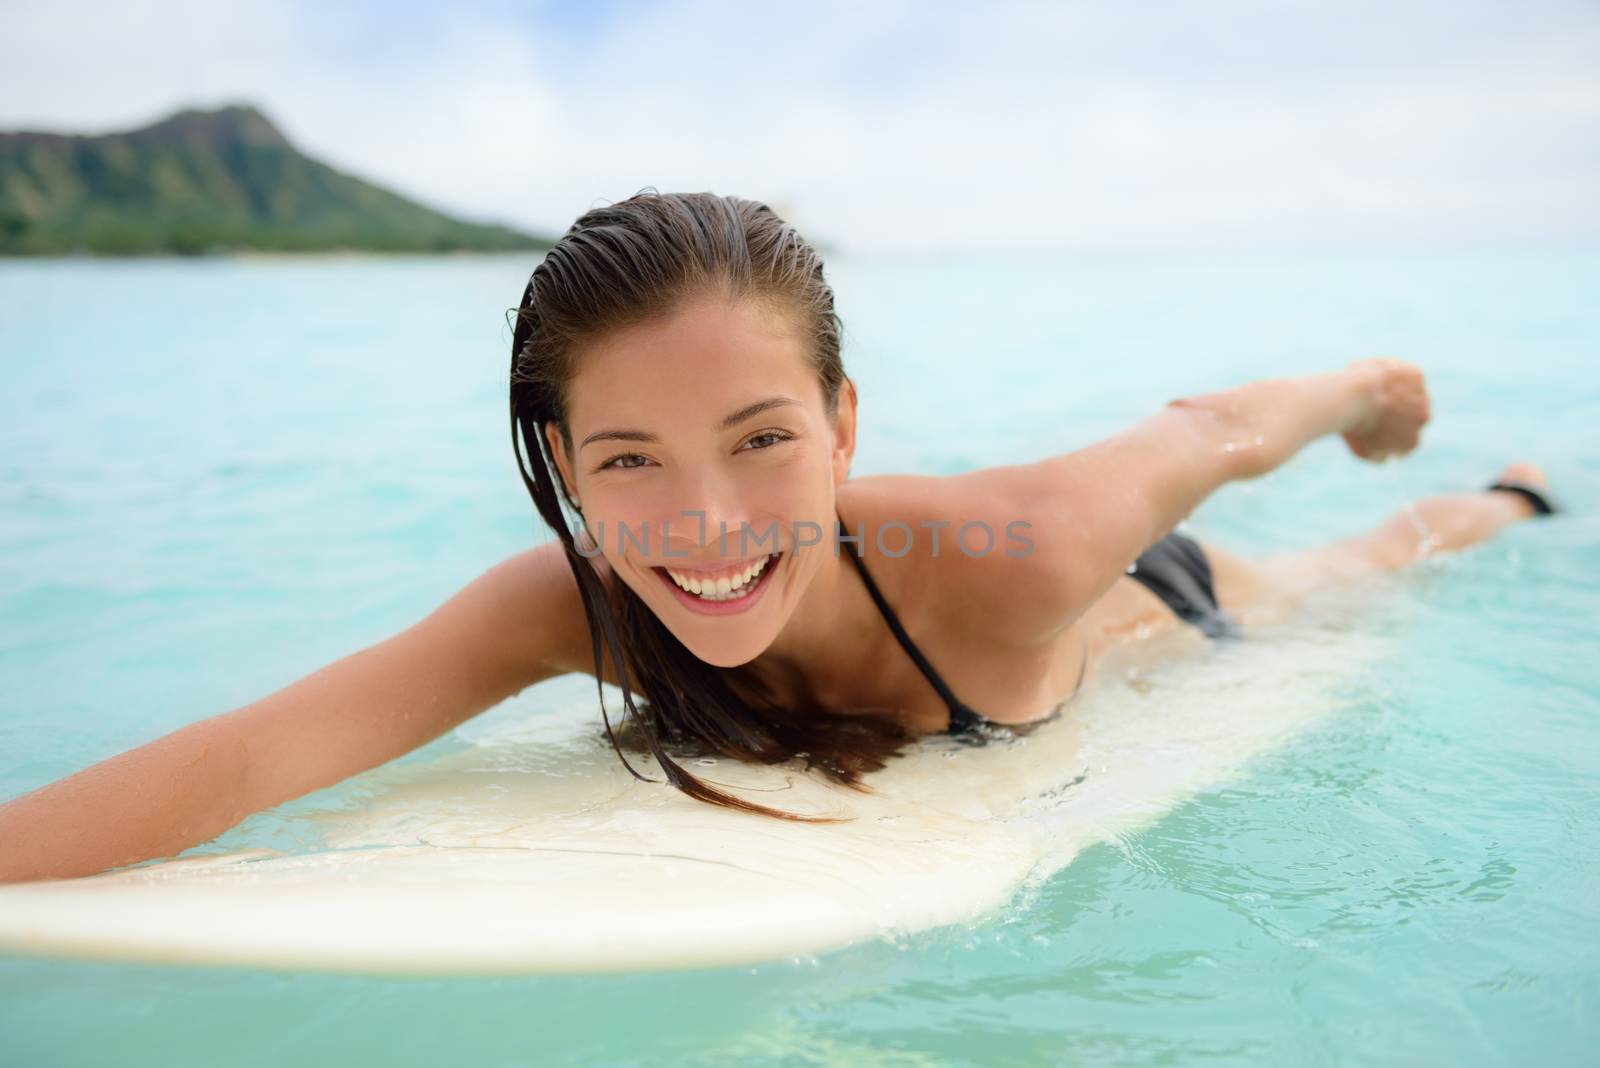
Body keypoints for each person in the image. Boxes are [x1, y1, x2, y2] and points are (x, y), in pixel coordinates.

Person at [0, 191, 1560, 884]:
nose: (705, 520)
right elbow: (246, 760)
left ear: (848, 426)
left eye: (764, 441)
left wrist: (1371, 393)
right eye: (628, 459)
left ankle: (1502, 495)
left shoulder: (1021, 543)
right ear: (560, 463)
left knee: (1357, 577)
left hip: (1158, 616)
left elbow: (1214, 432)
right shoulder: (565, 604)